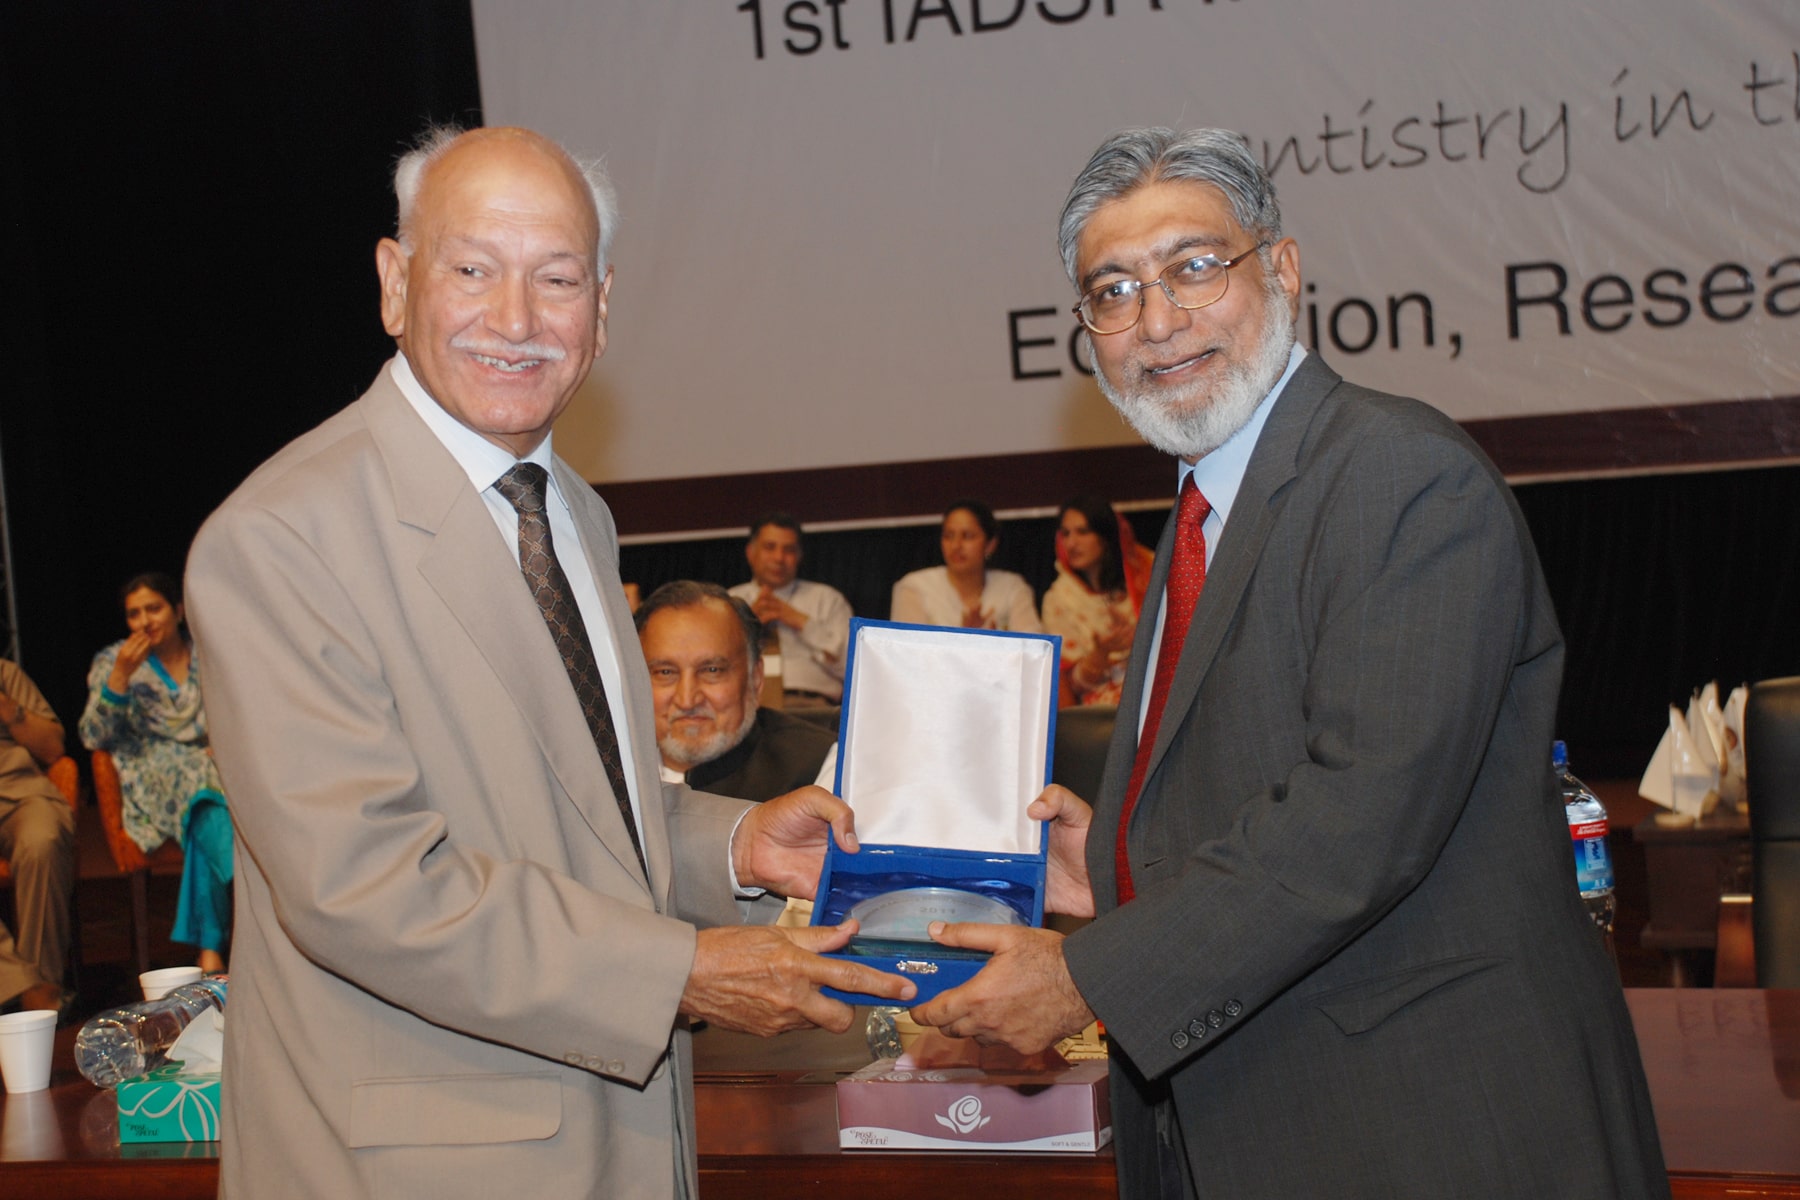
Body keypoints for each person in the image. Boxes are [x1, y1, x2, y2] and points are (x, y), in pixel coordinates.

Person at [912, 127, 1668, 1198]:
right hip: (1278, 1114)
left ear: (1284, 269)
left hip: (1433, 1127)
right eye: (1114, 291)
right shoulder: (1203, 505)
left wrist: (1089, 978)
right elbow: (1260, 771)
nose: (1156, 321)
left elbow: (1361, 816)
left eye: (1193, 267)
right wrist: (1123, 860)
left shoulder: (1400, 474)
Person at [184, 124, 910, 1199]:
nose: (516, 320)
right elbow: (367, 888)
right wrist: (682, 970)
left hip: (617, 1136)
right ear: (394, 284)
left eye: (557, 279)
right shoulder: (283, 538)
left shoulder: (570, 510)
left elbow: (578, 809)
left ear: (601, 310)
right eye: (473, 270)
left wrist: (739, 847)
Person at [79, 572, 233, 975]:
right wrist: (119, 678)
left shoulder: (208, 655)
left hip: (211, 774)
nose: (144, 621)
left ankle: (210, 950)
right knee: (206, 786)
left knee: (207, 806)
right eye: (134, 614)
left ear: (178, 611)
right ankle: (261, 901)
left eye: (154, 608)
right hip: (150, 772)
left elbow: (238, 713)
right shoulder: (113, 661)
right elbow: (93, 736)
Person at [636, 581, 837, 801]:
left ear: (755, 680)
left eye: (712, 670)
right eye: (665, 672)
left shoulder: (823, 768)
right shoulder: (611, 767)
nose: (687, 700)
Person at [0, 659, 74, 1014]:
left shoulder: (5, 674)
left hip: (17, 790)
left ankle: (43, 987)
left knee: (43, 838)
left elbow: (53, 748)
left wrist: (8, 708)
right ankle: (22, 983)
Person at [1041, 495, 1154, 706]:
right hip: (1100, 713)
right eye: (1066, 534)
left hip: (1155, 694)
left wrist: (1139, 637)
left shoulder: (1147, 576)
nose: (1071, 543)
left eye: (1083, 532)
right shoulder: (1059, 599)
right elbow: (1070, 687)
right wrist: (1101, 654)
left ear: (1105, 536)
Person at [728, 512, 852, 706]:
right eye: (770, 547)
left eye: (789, 550)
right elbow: (709, 662)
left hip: (812, 707)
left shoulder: (827, 599)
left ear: (799, 556)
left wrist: (803, 623)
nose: (779, 558)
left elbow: (854, 668)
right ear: (751, 553)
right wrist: (746, 627)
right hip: (744, 707)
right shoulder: (729, 601)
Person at [889, 500, 1043, 632]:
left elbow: (1034, 648)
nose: (956, 545)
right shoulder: (914, 587)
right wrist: (964, 637)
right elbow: (906, 652)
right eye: (948, 536)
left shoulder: (1012, 588)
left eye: (967, 536)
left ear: (990, 545)